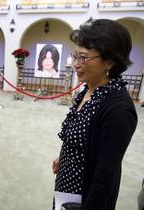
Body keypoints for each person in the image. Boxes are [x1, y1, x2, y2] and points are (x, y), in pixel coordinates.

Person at [52, 18, 138, 210]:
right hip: (67, 188)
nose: (76, 64)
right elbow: (82, 137)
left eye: (84, 57)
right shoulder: (89, 89)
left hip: (85, 199)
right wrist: (66, 155)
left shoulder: (118, 109)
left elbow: (105, 177)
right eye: (75, 56)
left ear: (110, 61)